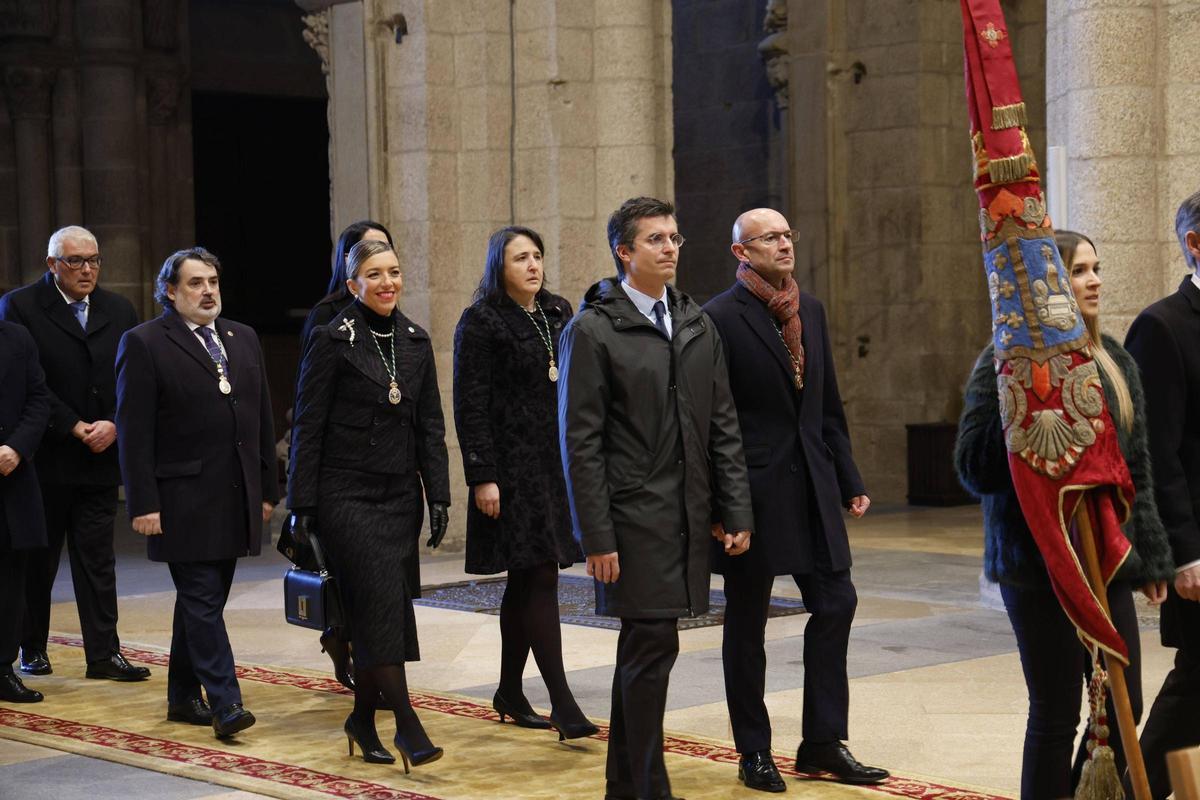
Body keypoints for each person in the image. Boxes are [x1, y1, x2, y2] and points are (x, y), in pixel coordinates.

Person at [956, 230, 1173, 798]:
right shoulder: (1002, 361)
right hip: (1038, 564)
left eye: (1095, 268)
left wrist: (1151, 557)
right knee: (1056, 714)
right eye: (1079, 271)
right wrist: (1029, 412)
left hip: (1107, 562)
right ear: (1048, 285)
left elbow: (1139, 466)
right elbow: (973, 466)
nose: (1095, 280)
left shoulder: (1116, 357)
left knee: (1125, 707)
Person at [558, 196, 754, 800]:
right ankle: (648, 786)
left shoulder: (694, 322)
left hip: (686, 512)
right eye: (656, 240)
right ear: (624, 251)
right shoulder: (592, 329)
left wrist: (733, 508)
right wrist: (596, 535)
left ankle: (627, 781)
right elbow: (579, 440)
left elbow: (721, 421)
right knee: (651, 645)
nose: (670, 248)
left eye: (675, 238)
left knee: (646, 649)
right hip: (631, 513)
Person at [704, 208, 887, 791]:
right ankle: (753, 750)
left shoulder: (811, 308)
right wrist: (724, 507)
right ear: (741, 252)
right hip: (752, 494)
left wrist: (850, 478)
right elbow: (714, 421)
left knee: (837, 603)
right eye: (770, 238)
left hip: (812, 485)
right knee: (747, 624)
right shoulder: (719, 318)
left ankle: (823, 742)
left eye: (788, 235)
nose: (784, 245)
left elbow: (827, 404)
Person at [288, 238, 450, 772]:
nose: (387, 283)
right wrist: (301, 505)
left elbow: (429, 424)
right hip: (345, 495)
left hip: (399, 496)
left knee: (382, 607)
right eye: (374, 274)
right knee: (381, 600)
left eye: (394, 272)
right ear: (353, 283)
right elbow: (308, 426)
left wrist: (441, 494)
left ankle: (361, 718)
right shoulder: (331, 339)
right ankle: (407, 725)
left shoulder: (415, 339)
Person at [116, 247, 279, 738]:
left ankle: (182, 696)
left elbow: (261, 417)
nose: (207, 291)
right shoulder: (144, 342)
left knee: (201, 602)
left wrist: (267, 488)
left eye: (212, 281)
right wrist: (143, 501)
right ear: (170, 291)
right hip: (182, 498)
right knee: (202, 598)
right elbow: (133, 430)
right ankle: (226, 703)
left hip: (234, 496)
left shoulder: (242, 337)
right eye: (194, 283)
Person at [452, 225, 595, 738]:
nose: (532, 266)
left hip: (553, 466)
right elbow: (469, 406)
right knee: (539, 577)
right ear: (500, 267)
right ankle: (562, 701)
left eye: (537, 256)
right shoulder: (481, 321)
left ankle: (510, 691)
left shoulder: (557, 311)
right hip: (509, 473)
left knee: (528, 579)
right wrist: (482, 475)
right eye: (520, 258)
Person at [0, 226, 147, 682]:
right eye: (75, 262)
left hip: (101, 455)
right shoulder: (21, 306)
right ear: (52, 265)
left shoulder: (119, 308)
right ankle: (32, 647)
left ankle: (104, 653)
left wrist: (115, 423)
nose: (87, 270)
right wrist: (73, 425)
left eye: (94, 260)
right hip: (44, 456)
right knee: (37, 562)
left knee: (98, 559)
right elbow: (29, 383)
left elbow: (134, 377)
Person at [296, 219, 395, 690]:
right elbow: (311, 411)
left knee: (385, 590)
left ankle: (376, 672)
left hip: (391, 480)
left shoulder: (398, 321)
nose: (384, 277)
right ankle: (349, 651)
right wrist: (304, 498)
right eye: (367, 256)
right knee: (352, 583)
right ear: (350, 268)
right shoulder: (327, 318)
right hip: (345, 477)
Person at [1125, 191, 1200, 798]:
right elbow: (1158, 452)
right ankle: (1137, 790)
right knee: (1196, 681)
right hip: (1199, 539)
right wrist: (1184, 552)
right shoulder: (1163, 324)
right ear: (1194, 244)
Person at [0, 320, 50, 703]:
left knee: (10, 578)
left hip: (11, 474)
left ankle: (3, 668)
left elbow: (38, 398)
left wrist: (16, 447)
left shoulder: (17, 335)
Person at [299, 220, 394, 350]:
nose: (381, 256)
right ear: (348, 259)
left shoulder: (395, 316)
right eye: (371, 250)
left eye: (386, 248)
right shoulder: (325, 315)